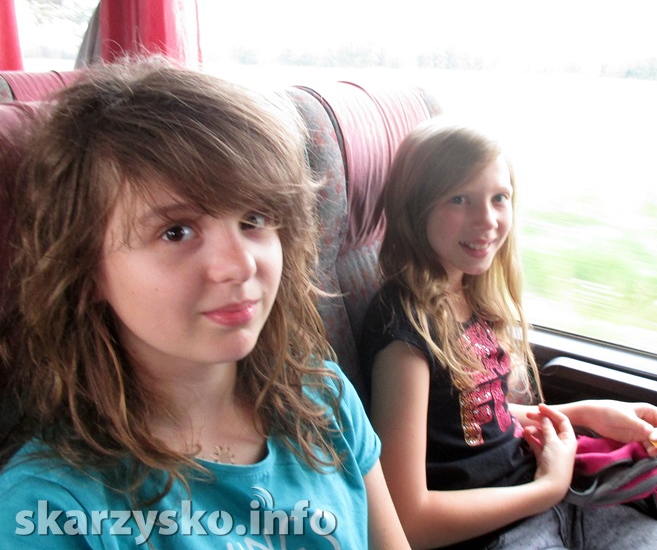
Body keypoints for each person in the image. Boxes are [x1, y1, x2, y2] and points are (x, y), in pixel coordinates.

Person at [0, 59, 410, 549]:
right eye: (176, 232)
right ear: (86, 270)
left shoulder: (324, 399)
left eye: (255, 219)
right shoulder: (53, 507)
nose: (240, 265)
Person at [360, 119, 657, 549]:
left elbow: (471, 419)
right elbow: (407, 520)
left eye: (499, 198)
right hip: (495, 533)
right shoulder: (404, 332)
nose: (487, 220)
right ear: (414, 209)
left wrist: (588, 413)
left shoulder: (469, 293)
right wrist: (547, 488)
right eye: (459, 199)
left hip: (556, 505)